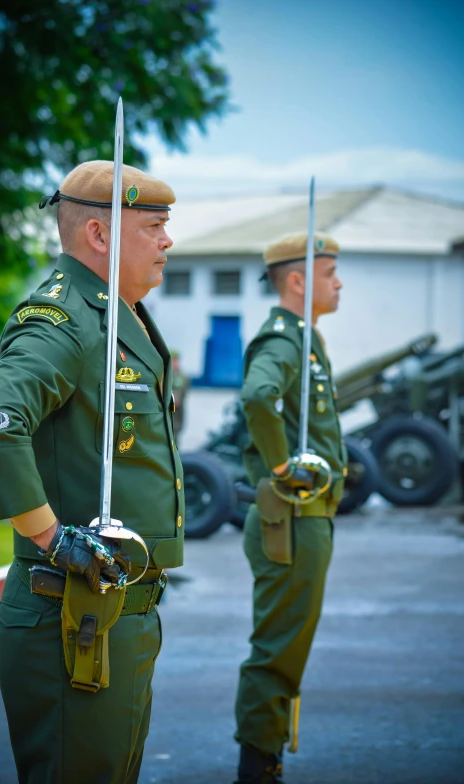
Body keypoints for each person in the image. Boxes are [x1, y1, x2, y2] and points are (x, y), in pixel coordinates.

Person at [0, 160, 185, 784]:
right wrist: (52, 537)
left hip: (118, 612)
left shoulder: (118, 315)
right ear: (99, 237)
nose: (168, 240)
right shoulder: (65, 319)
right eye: (155, 226)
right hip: (71, 618)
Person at [233, 233, 348, 784]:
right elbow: (258, 397)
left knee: (286, 644)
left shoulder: (305, 338)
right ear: (298, 281)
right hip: (294, 518)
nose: (340, 282)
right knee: (278, 647)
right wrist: (282, 469)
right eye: (330, 273)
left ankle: (266, 754)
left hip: (305, 519)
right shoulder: (285, 340)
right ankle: (258, 765)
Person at [170, 349, 190, 440]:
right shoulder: (163, 374)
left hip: (176, 413)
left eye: (175, 360)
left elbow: (178, 397)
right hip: (165, 412)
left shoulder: (181, 376)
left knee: (175, 436)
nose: (174, 363)